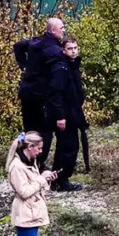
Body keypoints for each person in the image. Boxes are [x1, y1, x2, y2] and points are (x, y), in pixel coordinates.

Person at [6, 131, 57, 236]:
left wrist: (47, 179)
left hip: (32, 212)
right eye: (39, 148)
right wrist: (42, 179)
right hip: (25, 213)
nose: (41, 151)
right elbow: (24, 191)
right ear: (30, 147)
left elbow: (35, 184)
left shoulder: (30, 162)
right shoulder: (17, 167)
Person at [15, 18, 66, 165]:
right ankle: (38, 163)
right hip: (40, 95)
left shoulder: (35, 42)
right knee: (45, 131)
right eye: (61, 28)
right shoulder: (54, 50)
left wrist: (23, 65)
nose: (63, 30)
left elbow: (18, 46)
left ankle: (24, 161)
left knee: (29, 130)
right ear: (53, 30)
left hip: (26, 92)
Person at [46, 37, 87, 192]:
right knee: (69, 147)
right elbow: (55, 94)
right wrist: (60, 117)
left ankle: (57, 179)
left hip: (72, 113)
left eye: (75, 48)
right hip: (65, 116)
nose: (74, 51)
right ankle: (61, 181)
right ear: (63, 50)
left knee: (64, 147)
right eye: (70, 48)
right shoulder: (61, 68)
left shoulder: (72, 65)